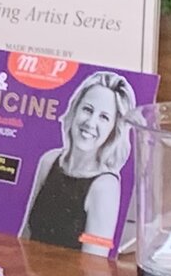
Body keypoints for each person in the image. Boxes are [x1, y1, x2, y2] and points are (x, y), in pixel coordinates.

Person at [19, 71, 137, 256]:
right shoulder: (48, 162)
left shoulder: (104, 186)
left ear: (114, 129)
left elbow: (93, 264)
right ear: (75, 110)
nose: (91, 122)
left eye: (104, 117)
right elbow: (25, 235)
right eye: (88, 109)